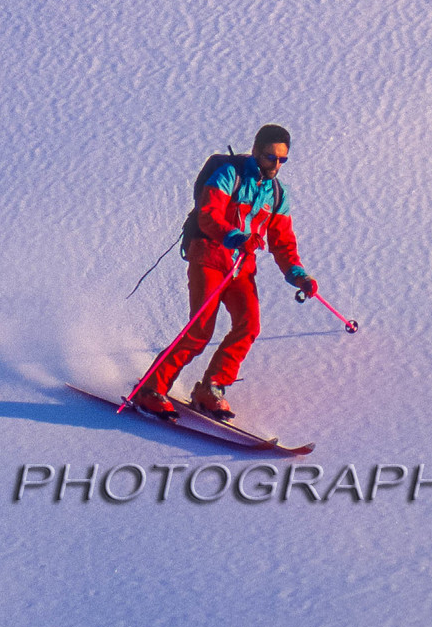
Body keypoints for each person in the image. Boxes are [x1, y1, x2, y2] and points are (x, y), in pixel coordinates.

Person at [126, 125, 316, 421]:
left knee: (249, 325)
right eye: (270, 157)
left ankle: (211, 388)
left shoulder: (277, 193)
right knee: (201, 329)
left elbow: (282, 241)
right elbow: (208, 214)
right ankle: (151, 388)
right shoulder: (230, 174)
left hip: (241, 268)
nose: (276, 165)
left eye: (282, 160)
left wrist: (298, 274)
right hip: (210, 257)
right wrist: (237, 237)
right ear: (255, 151)